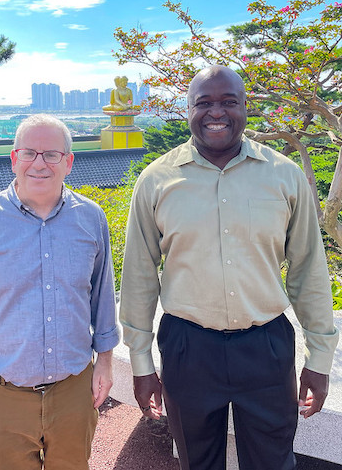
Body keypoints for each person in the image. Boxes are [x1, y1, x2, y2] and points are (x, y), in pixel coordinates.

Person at [120, 66, 339, 470]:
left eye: (228, 102)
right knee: (196, 463)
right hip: (188, 348)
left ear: (244, 109)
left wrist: (319, 358)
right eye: (203, 103)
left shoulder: (284, 176)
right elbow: (138, 276)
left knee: (273, 462)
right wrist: (141, 364)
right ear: (188, 110)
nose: (215, 112)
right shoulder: (156, 181)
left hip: (266, 347)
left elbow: (308, 270)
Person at [0, 114, 119, 470]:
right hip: (2, 395)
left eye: (51, 154)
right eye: (29, 153)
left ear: (68, 162)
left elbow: (101, 295)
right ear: (14, 159)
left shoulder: (92, 218)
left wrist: (106, 361)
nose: (39, 164)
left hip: (73, 390)